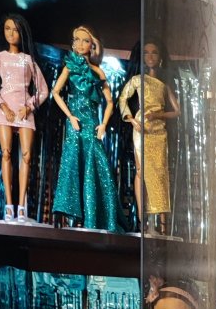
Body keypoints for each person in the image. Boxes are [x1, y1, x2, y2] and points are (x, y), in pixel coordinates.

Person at [51, 24, 125, 232]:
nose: (81, 44)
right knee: (73, 165)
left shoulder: (97, 71)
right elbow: (55, 92)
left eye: (86, 40)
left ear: (93, 45)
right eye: (78, 40)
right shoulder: (69, 67)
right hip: (75, 124)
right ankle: (74, 218)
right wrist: (70, 116)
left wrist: (103, 124)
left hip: (91, 125)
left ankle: (94, 217)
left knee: (95, 167)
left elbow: (110, 102)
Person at [0, 13, 49, 222]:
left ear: (22, 33)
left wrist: (28, 107)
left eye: (15, 29)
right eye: (7, 29)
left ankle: (22, 206)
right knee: (6, 153)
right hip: (5, 110)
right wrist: (2, 105)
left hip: (23, 111)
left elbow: (43, 90)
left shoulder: (28, 60)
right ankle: (8, 205)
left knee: (27, 156)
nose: (11, 33)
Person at [118, 38, 179, 234]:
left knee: (160, 173)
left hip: (159, 130)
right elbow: (122, 99)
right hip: (141, 128)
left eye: (154, 52)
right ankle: (141, 218)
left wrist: (158, 115)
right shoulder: (137, 80)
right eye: (146, 53)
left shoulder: (164, 85)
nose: (150, 56)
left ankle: (162, 223)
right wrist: (131, 119)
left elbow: (177, 111)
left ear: (160, 58)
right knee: (140, 171)